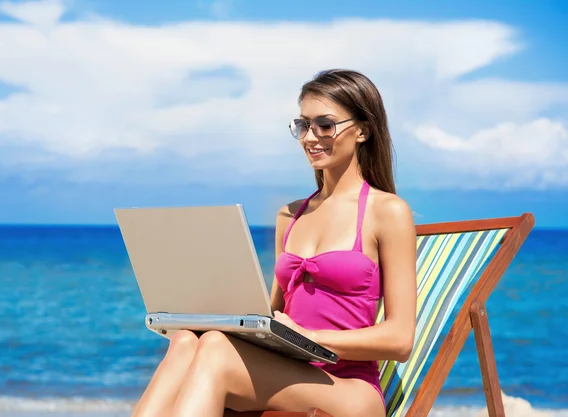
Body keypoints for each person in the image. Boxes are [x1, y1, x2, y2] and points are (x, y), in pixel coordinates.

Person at [131, 69, 417, 417]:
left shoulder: (387, 211)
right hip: (284, 374)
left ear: (362, 130)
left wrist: (307, 336)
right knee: (186, 341)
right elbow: (272, 312)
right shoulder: (290, 215)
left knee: (217, 350)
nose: (310, 137)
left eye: (324, 124)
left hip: (349, 390)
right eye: (303, 125)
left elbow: (400, 340)